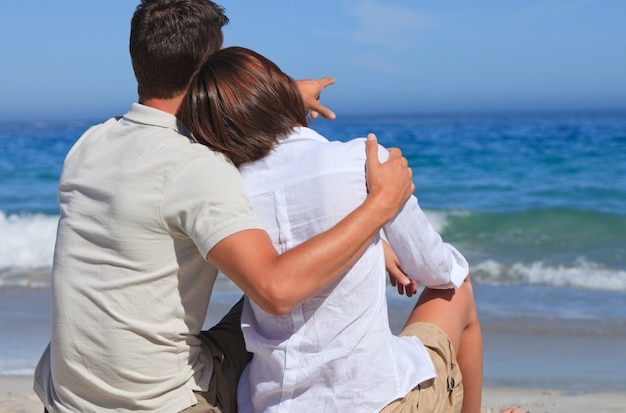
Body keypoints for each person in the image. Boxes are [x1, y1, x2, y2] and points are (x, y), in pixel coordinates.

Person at [32, 1, 414, 412]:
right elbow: (276, 290)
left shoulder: (90, 144)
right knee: (289, 296)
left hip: (70, 395)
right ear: (210, 70)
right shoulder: (195, 165)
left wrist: (282, 98)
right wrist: (379, 207)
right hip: (158, 403)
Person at [178, 46, 485, 413]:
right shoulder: (364, 162)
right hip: (374, 403)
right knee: (458, 285)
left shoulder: (226, 191)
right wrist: (380, 232)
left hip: (269, 405)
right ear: (279, 91)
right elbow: (435, 271)